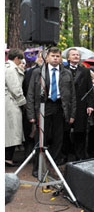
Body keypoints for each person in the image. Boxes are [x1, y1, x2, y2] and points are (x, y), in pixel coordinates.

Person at [26, 47, 76, 176]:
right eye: (53, 56)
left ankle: (52, 166)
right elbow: (31, 93)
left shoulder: (67, 73)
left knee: (58, 139)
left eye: (58, 56)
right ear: (47, 57)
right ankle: (37, 168)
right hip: (43, 107)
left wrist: (72, 114)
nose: (55, 58)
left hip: (60, 107)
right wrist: (31, 114)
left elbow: (72, 96)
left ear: (61, 58)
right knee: (41, 139)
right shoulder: (38, 72)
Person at [62, 48, 94, 162]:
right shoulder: (63, 70)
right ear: (68, 57)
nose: (76, 56)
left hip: (81, 104)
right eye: (73, 55)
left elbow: (90, 89)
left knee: (80, 131)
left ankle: (79, 154)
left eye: (77, 55)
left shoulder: (85, 71)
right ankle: (65, 155)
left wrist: (90, 105)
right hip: (66, 105)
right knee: (65, 131)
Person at [5, 48, 26, 167]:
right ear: (17, 58)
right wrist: (23, 102)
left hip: (8, 102)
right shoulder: (11, 69)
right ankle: (8, 158)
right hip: (11, 103)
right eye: (21, 59)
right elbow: (15, 88)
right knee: (12, 131)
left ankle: (8, 157)